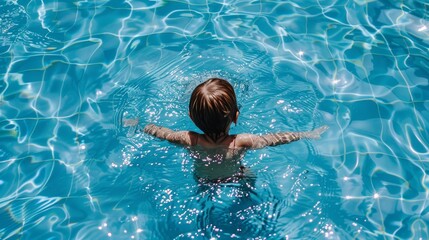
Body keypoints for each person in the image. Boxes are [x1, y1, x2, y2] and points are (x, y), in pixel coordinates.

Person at [125, 78, 328, 182]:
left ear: (191, 117)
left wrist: (139, 124)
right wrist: (307, 134)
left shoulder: (188, 139)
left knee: (203, 190)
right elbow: (275, 139)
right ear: (236, 116)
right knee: (249, 177)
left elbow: (160, 132)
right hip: (235, 174)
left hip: (203, 176)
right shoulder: (242, 141)